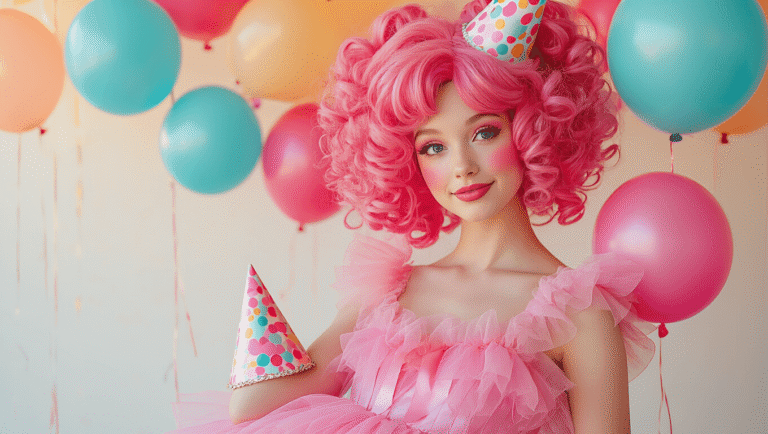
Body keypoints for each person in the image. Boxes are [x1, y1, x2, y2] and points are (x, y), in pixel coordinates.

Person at [168, 0, 656, 432]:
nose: (462, 166)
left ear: (533, 131)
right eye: (434, 147)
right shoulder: (389, 294)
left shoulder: (581, 317)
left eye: (484, 132)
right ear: (407, 160)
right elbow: (253, 408)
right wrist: (258, 333)